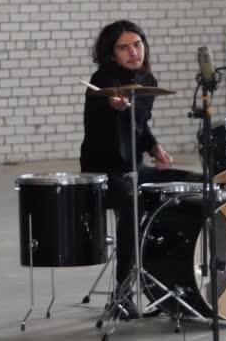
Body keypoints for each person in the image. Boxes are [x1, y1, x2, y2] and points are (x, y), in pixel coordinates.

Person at [79, 20, 202, 317]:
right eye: (124, 47)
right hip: (103, 172)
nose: (133, 52)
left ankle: (169, 282)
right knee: (132, 201)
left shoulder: (147, 79)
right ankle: (121, 295)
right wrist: (113, 106)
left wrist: (154, 147)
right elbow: (103, 115)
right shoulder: (102, 80)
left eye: (137, 44)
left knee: (192, 183)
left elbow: (140, 125)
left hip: (135, 167)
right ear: (112, 54)